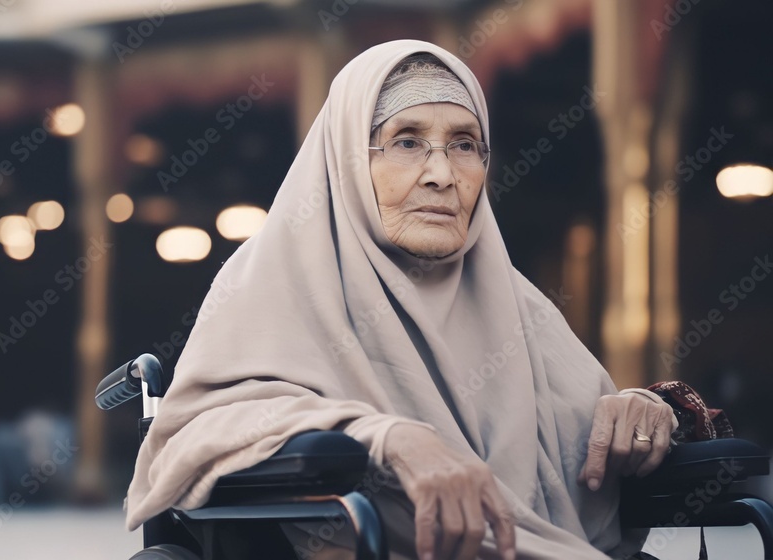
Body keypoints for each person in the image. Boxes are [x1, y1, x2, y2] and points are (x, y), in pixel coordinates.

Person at [124, 39, 678, 560]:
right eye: (407, 142)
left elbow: (588, 439)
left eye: (464, 145)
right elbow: (204, 427)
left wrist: (645, 410)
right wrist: (386, 438)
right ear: (345, 161)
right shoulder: (272, 276)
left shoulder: (515, 302)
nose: (442, 175)